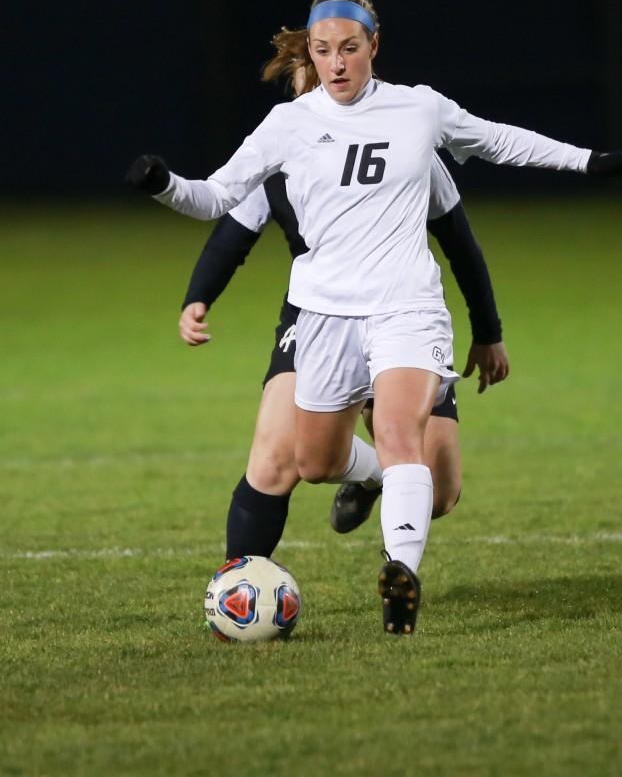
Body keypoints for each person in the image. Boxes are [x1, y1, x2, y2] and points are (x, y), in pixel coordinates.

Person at [127, 0, 622, 635]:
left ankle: (400, 579)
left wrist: (589, 161)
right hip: (323, 315)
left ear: (373, 46)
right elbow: (214, 199)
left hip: (405, 304)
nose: (337, 63)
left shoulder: (418, 109)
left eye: (349, 48)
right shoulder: (289, 124)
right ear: (312, 54)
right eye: (323, 51)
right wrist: (163, 185)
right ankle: (401, 486)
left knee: (400, 433)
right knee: (316, 461)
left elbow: (497, 140)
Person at [179, 29, 509, 566]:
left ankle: (390, 502)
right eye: (312, 75)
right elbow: (231, 236)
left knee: (442, 489)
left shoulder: (407, 148)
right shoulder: (281, 157)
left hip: (401, 309)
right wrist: (198, 299)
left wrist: (488, 332)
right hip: (319, 317)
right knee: (275, 458)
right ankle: (237, 587)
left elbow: (460, 244)